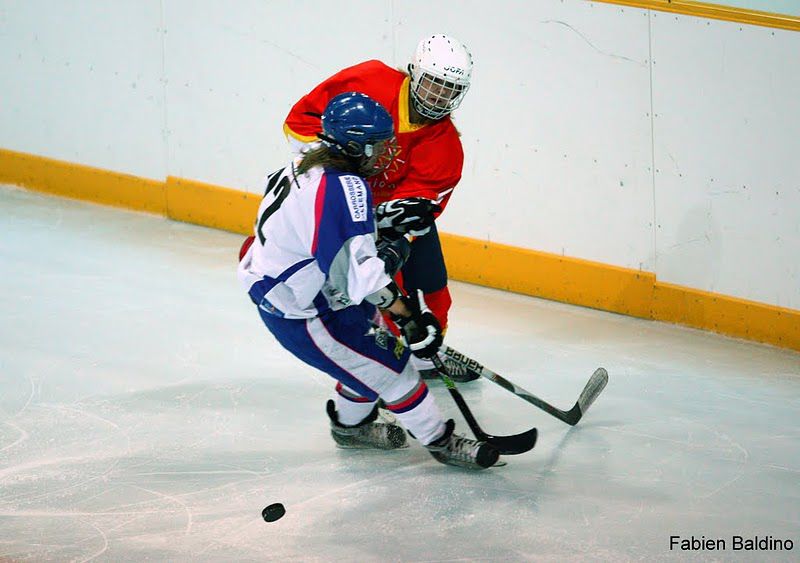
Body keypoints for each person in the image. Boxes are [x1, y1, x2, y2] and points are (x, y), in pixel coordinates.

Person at [238, 92, 499, 470]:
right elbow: (363, 279)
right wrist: (410, 317)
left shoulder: (304, 161)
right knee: (396, 373)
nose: (385, 154)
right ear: (354, 146)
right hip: (303, 310)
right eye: (378, 146)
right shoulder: (345, 188)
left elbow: (324, 228)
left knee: (365, 362)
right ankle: (441, 442)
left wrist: (384, 217)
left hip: (292, 282)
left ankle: (351, 428)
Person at [281, 34, 480, 383]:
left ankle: (428, 356)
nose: (439, 97)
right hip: (345, 215)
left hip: (392, 221)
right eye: (434, 83)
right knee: (374, 294)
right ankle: (389, 365)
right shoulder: (368, 81)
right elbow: (298, 122)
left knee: (433, 286)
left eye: (449, 89)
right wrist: (339, 166)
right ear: (415, 73)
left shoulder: (447, 147)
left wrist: (399, 239)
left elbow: (418, 212)